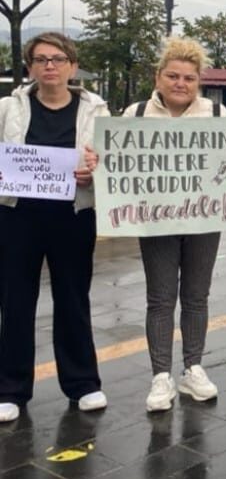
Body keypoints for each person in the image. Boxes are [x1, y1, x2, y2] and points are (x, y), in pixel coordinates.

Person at [124, 37, 226, 412]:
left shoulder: (218, 116)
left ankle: (193, 368)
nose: (180, 83)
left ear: (198, 80)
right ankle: (160, 376)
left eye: (188, 77)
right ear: (158, 76)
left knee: (197, 296)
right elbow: (114, 161)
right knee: (160, 297)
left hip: (204, 218)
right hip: (155, 220)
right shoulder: (135, 115)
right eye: (173, 76)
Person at [0, 33, 108, 423]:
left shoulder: (97, 111)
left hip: (74, 216)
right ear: (30, 67)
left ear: (73, 67)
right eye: (41, 59)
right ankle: (10, 388)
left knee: (73, 299)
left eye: (58, 58)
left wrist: (94, 172)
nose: (50, 66)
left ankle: (83, 384)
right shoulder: (7, 109)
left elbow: (114, 163)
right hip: (17, 217)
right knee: (15, 302)